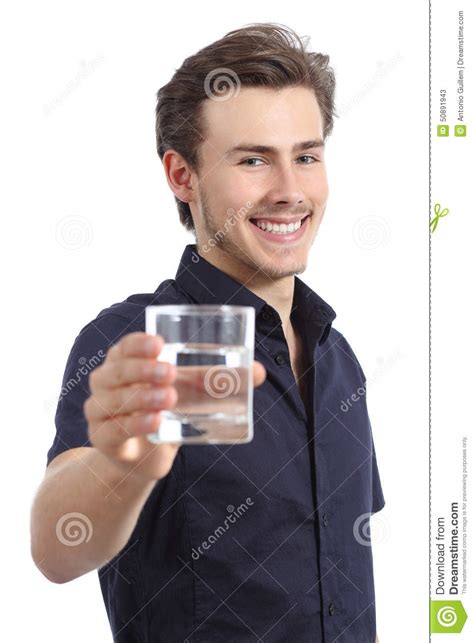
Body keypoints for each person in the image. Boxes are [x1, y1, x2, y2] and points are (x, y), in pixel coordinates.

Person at [31, 22, 384, 642]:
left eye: (306, 156)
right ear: (181, 176)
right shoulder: (137, 344)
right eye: (253, 160)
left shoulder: (336, 355)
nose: (290, 191)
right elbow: (56, 549)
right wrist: (124, 465)